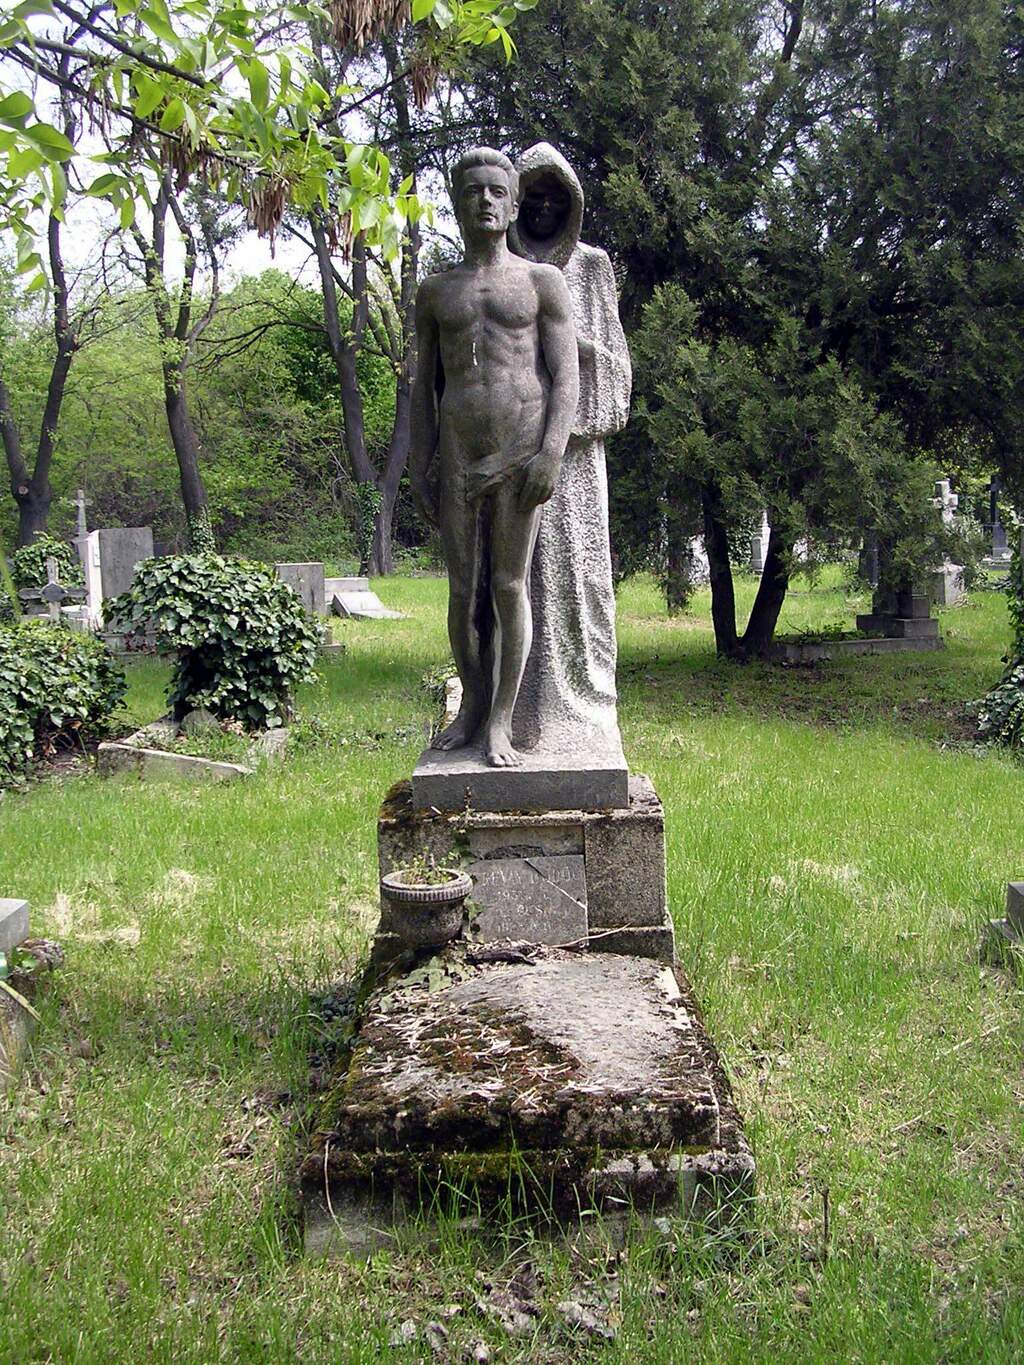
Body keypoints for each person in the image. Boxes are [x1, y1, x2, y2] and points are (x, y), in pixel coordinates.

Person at [410, 147, 580, 768]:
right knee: (462, 592)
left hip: (521, 449)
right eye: (472, 191)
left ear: (511, 207)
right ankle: (473, 708)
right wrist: (420, 467)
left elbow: (567, 374)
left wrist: (551, 452)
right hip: (459, 454)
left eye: (496, 191)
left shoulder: (541, 282)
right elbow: (424, 390)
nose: (484, 200)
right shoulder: (436, 291)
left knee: (509, 586)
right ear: (457, 205)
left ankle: (502, 724)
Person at [508, 143, 632, 758]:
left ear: (572, 205)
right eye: (532, 196)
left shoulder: (591, 267)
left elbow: (616, 371)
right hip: (508, 450)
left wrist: (571, 349)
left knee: (578, 584)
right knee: (511, 583)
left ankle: (581, 713)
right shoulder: (494, 269)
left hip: (575, 463)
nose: (543, 208)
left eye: (556, 198)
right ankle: (510, 715)